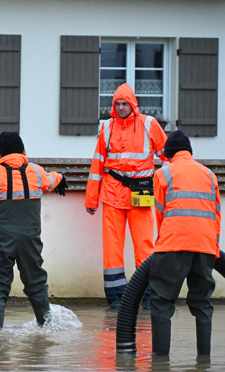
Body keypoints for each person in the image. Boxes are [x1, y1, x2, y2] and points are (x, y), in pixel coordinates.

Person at [0, 132, 68, 329]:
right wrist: (61, 177)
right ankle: (46, 330)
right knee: (36, 282)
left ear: (1, 152)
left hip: (0, 241)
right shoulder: (36, 171)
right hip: (30, 240)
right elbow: (50, 181)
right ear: (22, 150)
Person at [84, 83, 168, 309]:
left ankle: (150, 294)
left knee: (144, 244)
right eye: (117, 104)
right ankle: (116, 296)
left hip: (141, 189)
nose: (121, 108)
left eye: (125, 104)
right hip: (112, 192)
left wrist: (170, 190)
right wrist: (91, 199)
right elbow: (97, 164)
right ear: (113, 106)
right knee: (112, 248)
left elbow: (168, 157)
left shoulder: (149, 124)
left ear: (133, 105)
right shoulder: (107, 128)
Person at [149, 130, 221, 357]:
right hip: (206, 246)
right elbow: (216, 215)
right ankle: (204, 360)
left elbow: (160, 214)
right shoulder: (210, 175)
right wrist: (213, 248)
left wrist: (163, 244)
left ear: (168, 154)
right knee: (202, 304)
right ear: (190, 152)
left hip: (172, 245)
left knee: (161, 304)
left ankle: (160, 364)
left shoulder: (163, 173)